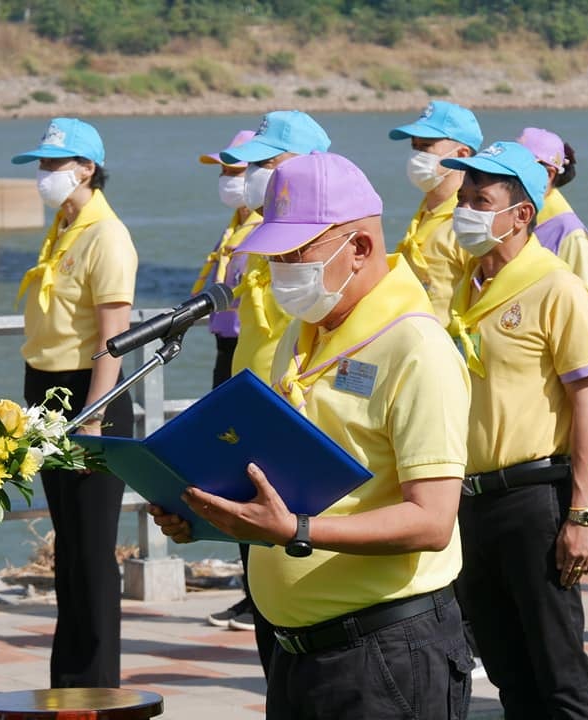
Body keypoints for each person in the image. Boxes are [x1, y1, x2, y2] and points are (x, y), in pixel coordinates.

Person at [152, 151, 474, 718]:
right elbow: (284, 480)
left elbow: (432, 520)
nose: (281, 269)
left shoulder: (416, 347)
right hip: (296, 650)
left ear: (361, 248)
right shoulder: (301, 337)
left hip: (385, 651)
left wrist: (297, 530)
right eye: (274, 254)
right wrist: (209, 517)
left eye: (296, 253)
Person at [443, 141, 588, 719]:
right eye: (462, 198)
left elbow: (586, 401)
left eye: (480, 200)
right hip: (471, 502)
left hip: (534, 498)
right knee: (509, 673)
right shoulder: (466, 286)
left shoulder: (555, 286)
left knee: (558, 673)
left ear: (521, 214)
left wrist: (581, 515)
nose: (465, 210)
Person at [12, 117, 138, 688]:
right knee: (69, 544)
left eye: (52, 165)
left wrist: (92, 413)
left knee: (92, 549)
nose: (43, 175)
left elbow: (113, 335)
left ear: (86, 169)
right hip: (46, 390)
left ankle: (98, 681)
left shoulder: (105, 235)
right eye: (39, 165)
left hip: (90, 397)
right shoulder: (65, 228)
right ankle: (69, 676)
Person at [208, 110, 332, 657]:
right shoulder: (258, 237)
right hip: (248, 425)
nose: (254, 174)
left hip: (291, 432)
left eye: (267, 162)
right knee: (261, 587)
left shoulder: (319, 245)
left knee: (297, 603)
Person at [193, 129, 264, 632]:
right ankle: (249, 590)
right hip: (225, 350)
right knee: (230, 468)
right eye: (223, 171)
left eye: (235, 172)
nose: (227, 181)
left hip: (248, 353)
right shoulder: (235, 224)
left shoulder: (265, 228)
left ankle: (259, 592)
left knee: (253, 470)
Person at [388, 100, 482, 325]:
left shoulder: (470, 221)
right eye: (415, 146)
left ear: (461, 154)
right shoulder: (426, 211)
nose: (416, 155)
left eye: (426, 147)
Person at [517, 127, 588, 287]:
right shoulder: (503, 213)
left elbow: (578, 303)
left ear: (549, 174)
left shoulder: (571, 234)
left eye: (518, 166)